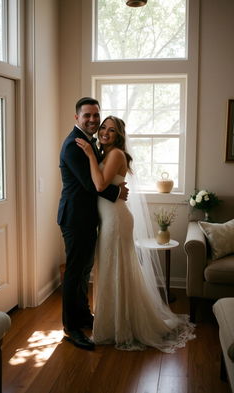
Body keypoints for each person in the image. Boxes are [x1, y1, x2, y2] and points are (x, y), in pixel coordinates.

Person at [76, 115, 195, 352]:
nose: (105, 133)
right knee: (112, 268)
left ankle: (121, 326)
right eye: (103, 128)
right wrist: (96, 159)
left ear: (119, 135)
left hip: (116, 220)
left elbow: (99, 185)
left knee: (115, 268)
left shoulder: (115, 154)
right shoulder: (105, 153)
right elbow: (102, 185)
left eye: (111, 130)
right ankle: (113, 322)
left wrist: (89, 154)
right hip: (108, 218)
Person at [57, 98, 129, 351]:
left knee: (83, 271)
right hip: (75, 218)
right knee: (75, 273)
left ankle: (84, 316)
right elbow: (91, 185)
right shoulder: (73, 145)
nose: (93, 120)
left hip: (89, 218)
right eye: (87, 115)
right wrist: (117, 192)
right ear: (76, 117)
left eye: (95, 115)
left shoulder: (91, 142)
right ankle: (71, 328)